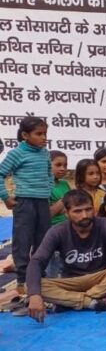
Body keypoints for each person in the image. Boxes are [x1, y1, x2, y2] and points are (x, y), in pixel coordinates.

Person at [26, 189, 106, 322]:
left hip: (102, 278)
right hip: (72, 282)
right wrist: (34, 295)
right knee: (33, 285)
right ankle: (91, 302)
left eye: (88, 209)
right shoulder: (57, 231)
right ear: (67, 213)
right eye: (77, 211)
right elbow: (37, 261)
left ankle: (70, 301)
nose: (84, 215)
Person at [0, 117, 53, 295]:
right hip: (24, 203)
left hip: (42, 203)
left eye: (45, 133)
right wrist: (6, 197)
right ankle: (22, 278)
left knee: (44, 240)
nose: (43, 138)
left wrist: (49, 190)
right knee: (23, 240)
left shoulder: (45, 153)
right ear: (25, 135)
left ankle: (39, 275)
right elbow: (0, 174)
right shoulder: (17, 154)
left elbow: (49, 174)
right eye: (39, 134)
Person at [49, 150, 70, 226]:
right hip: (52, 228)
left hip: (68, 226)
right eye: (58, 165)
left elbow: (71, 207)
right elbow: (48, 214)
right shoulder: (43, 186)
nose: (63, 169)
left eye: (65, 165)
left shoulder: (65, 184)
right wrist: (64, 201)